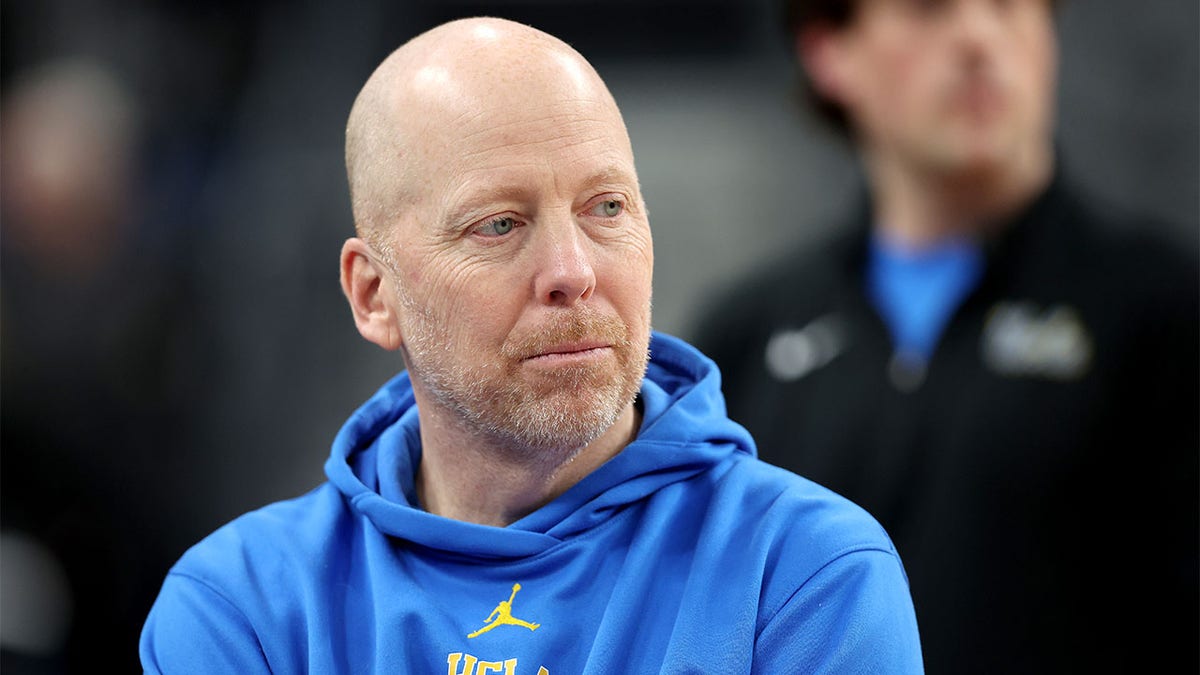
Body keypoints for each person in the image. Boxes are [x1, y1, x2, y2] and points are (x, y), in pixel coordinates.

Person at [138, 17, 924, 673]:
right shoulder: (239, 611)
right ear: (375, 295)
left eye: (606, 206)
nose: (572, 271)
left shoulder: (802, 575)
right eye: (500, 224)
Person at [692, 0, 1198, 672]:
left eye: (1010, 7)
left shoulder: (1163, 314)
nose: (978, 37)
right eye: (929, 9)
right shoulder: (746, 340)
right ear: (827, 52)